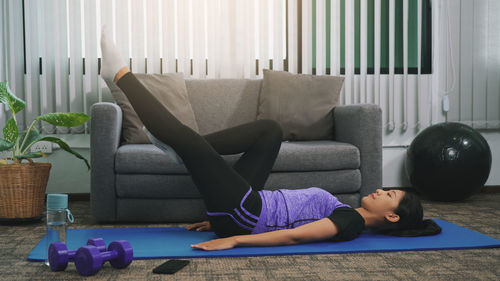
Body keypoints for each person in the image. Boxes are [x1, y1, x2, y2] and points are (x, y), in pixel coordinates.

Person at [100, 27, 441, 251]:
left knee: (188, 143)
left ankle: (119, 76)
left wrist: (232, 239)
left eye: (390, 195)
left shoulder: (350, 222)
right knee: (270, 130)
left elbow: (294, 236)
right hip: (245, 205)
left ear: (392, 217)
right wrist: (218, 221)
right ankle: (189, 146)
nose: (381, 190)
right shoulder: (347, 211)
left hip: (245, 215)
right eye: (388, 189)